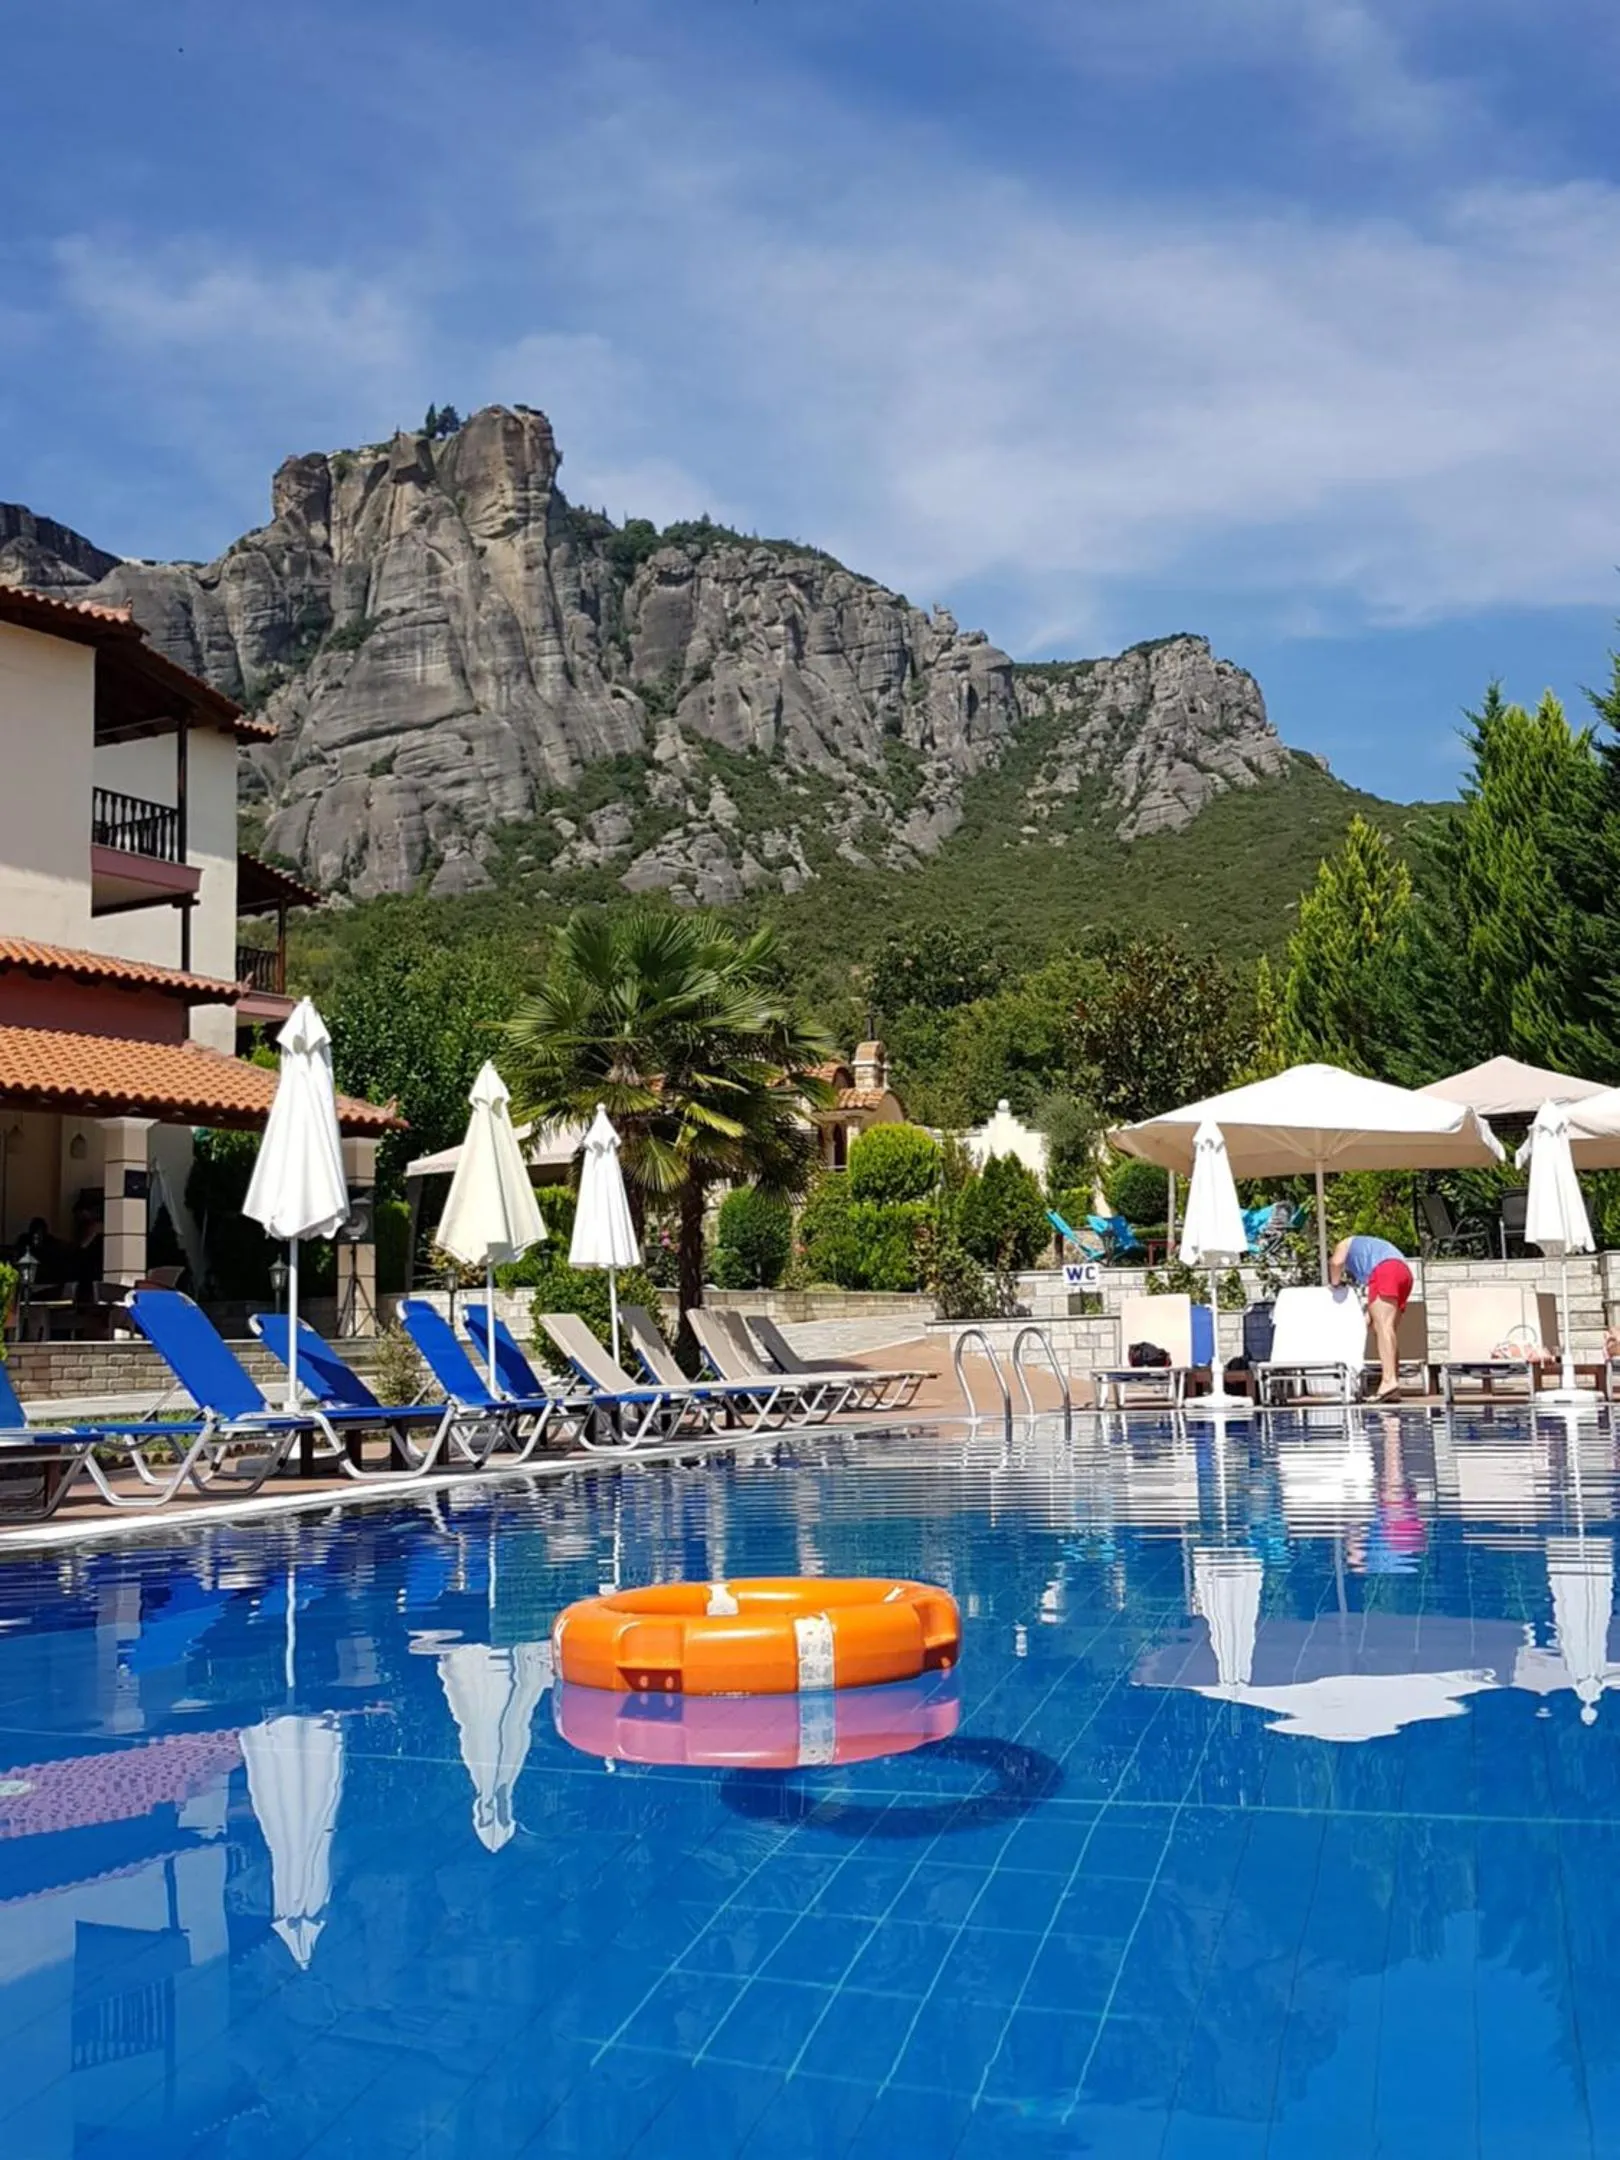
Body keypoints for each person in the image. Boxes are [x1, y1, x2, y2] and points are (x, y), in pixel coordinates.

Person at [1330, 1232, 1414, 1401]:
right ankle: (1393, 1386)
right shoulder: (1369, 1248)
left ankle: (1389, 1381)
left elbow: (1336, 1262)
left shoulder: (1344, 1244)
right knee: (1385, 1328)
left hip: (1384, 1270)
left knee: (1383, 1327)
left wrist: (1334, 1284)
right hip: (1404, 1273)